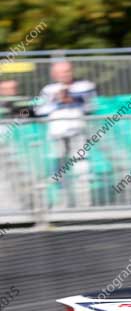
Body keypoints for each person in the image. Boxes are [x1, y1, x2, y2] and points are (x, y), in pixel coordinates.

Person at [36, 61, 97, 208]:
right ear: (54, 74)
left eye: (67, 71)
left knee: (81, 166)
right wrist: (56, 101)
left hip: (78, 131)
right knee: (58, 168)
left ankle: (84, 203)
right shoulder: (48, 89)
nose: (65, 74)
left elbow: (92, 105)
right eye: (61, 72)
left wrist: (73, 98)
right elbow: (39, 110)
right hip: (56, 133)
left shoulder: (85, 86)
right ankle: (61, 202)